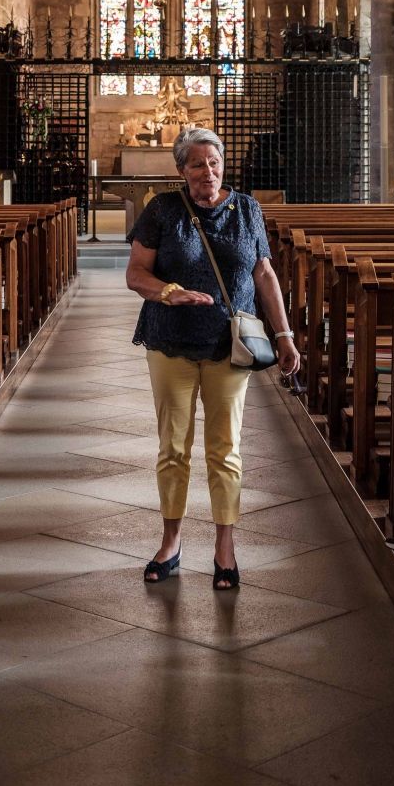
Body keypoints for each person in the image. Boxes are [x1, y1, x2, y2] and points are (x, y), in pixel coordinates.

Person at [126, 127, 302, 590]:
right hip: (170, 343)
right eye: (198, 164)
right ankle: (171, 542)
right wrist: (169, 292)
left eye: (215, 162)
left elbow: (264, 274)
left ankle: (226, 547)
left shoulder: (247, 209)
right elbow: (136, 274)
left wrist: (283, 335)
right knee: (173, 449)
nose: (209, 171)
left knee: (226, 450)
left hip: (229, 345)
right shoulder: (163, 209)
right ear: (181, 170)